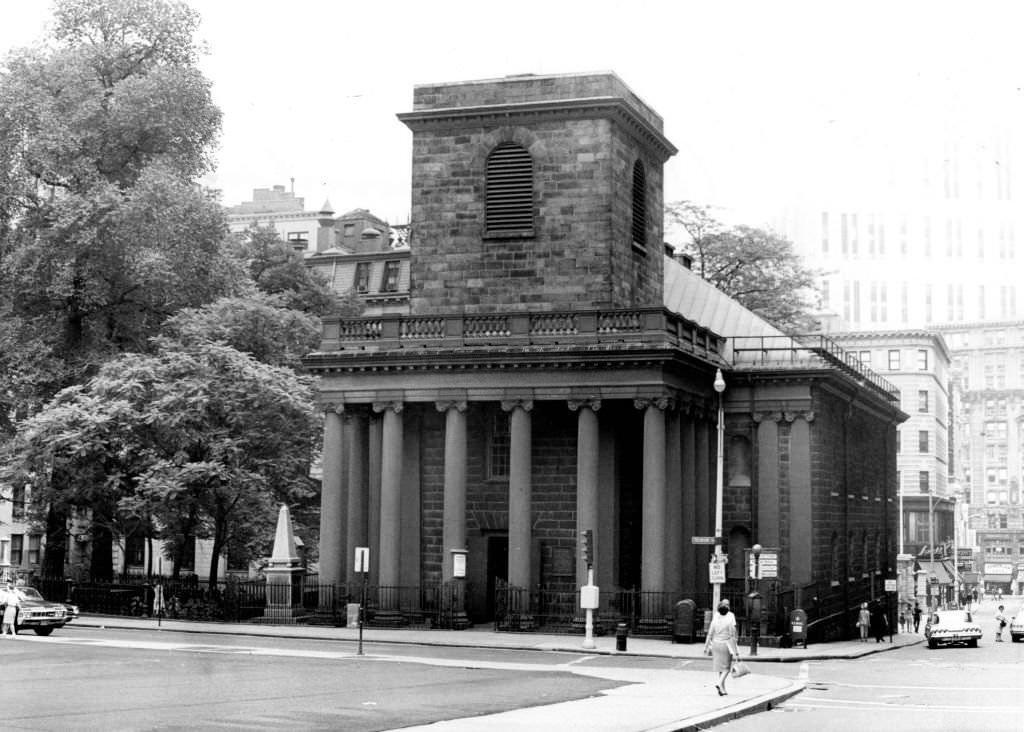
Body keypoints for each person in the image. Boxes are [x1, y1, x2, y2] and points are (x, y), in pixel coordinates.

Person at [703, 599, 740, 697]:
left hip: (715, 644)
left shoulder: (714, 621)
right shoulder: (729, 621)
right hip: (725, 645)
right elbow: (733, 636)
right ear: (727, 611)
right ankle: (719, 683)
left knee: (720, 667)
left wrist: (706, 647)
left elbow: (709, 634)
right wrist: (736, 650)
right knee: (727, 668)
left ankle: (722, 689)